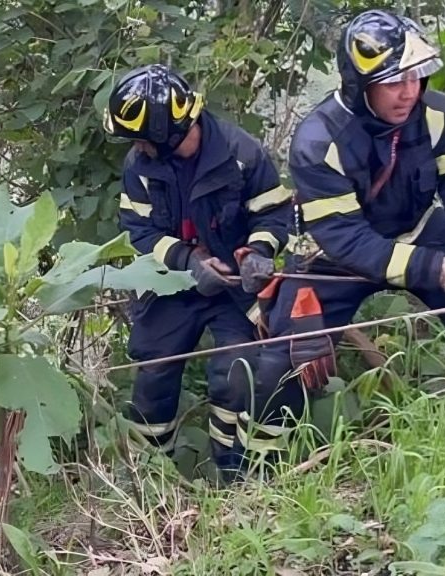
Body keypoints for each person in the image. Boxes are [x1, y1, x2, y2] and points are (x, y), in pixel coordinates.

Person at [236, 9, 445, 467]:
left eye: (415, 76)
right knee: (283, 360)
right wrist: (434, 269)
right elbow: (347, 239)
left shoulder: (438, 114)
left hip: (415, 231)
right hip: (335, 256)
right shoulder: (318, 141)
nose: (409, 91)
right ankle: (256, 473)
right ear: (360, 84)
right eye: (394, 81)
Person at [101, 63, 292, 479]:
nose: (136, 145)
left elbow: (276, 216)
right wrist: (187, 261)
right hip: (171, 286)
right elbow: (138, 231)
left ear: (166, 135)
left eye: (140, 138)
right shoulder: (139, 166)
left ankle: (234, 479)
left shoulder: (243, 155)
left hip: (234, 292)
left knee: (236, 373)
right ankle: (151, 480)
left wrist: (258, 253)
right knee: (153, 374)